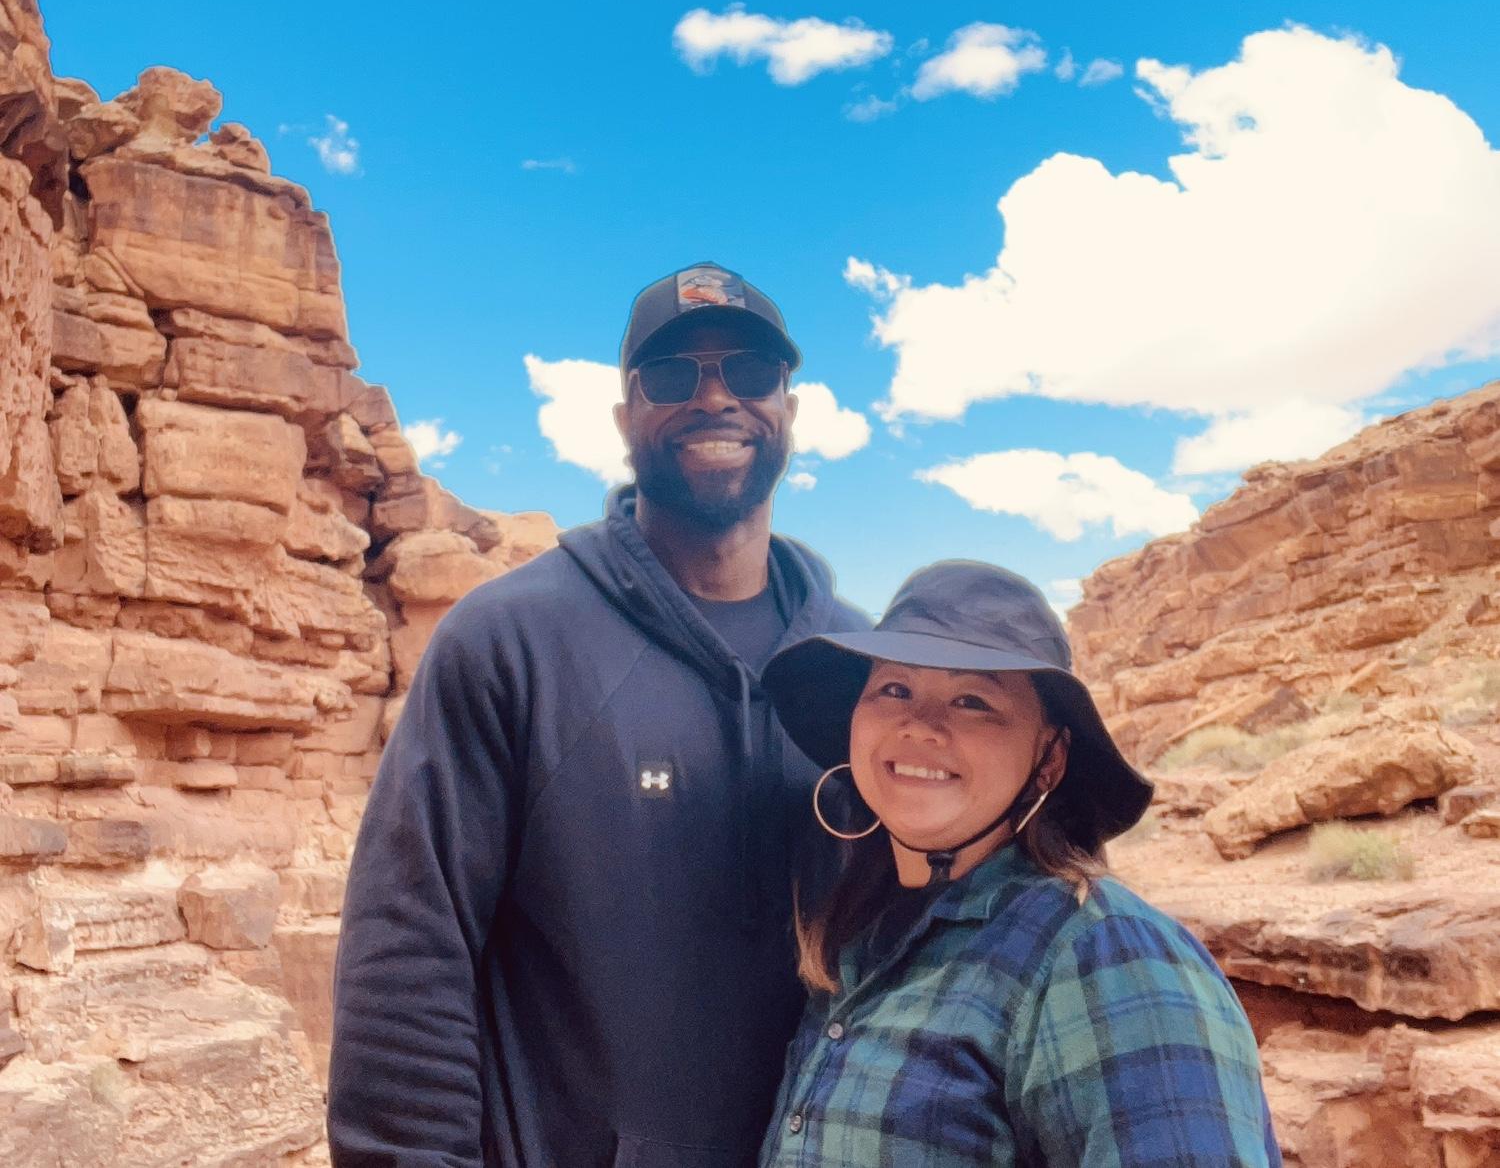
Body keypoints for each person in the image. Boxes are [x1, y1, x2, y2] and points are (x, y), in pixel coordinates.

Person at [328, 262, 869, 1168]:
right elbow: (409, 951)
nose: (714, 398)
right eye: (672, 376)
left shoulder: (865, 670)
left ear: (790, 407)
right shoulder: (509, 641)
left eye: (749, 371)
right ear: (625, 418)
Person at [758, 560, 1282, 1168]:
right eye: (894, 689)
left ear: (1049, 759)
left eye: (972, 700)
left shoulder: (1104, 954)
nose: (919, 726)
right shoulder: (859, 938)